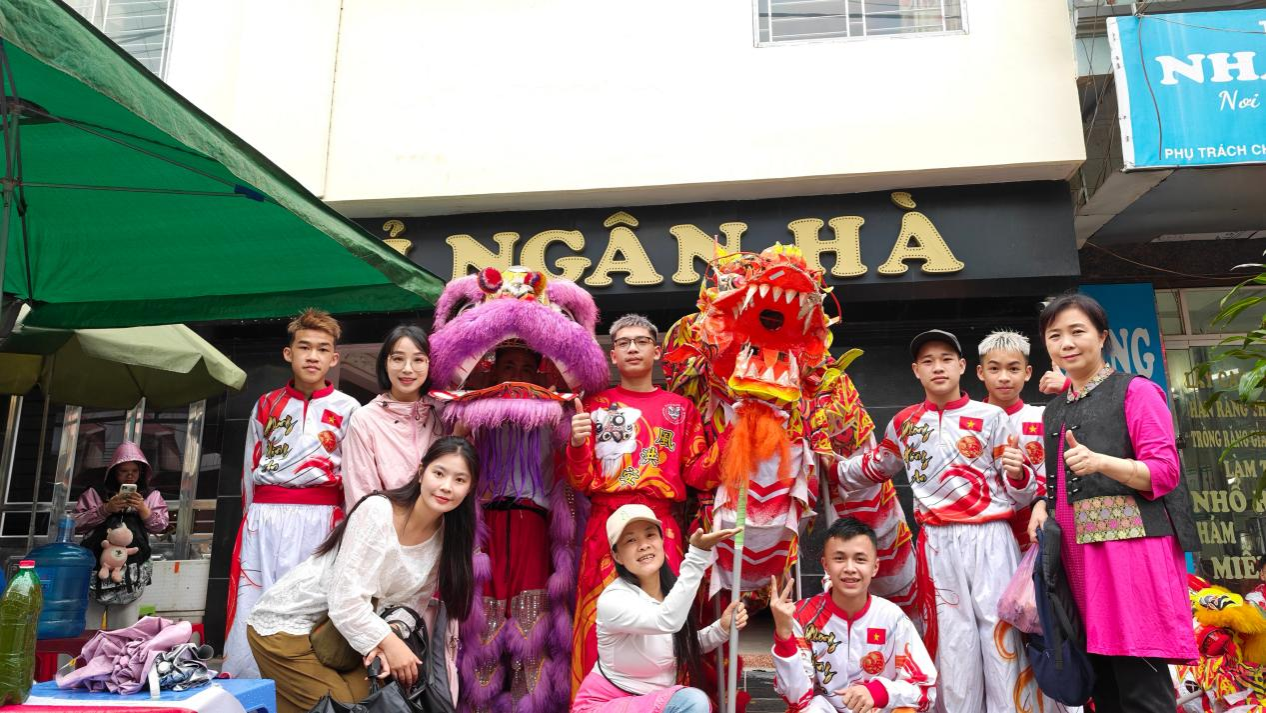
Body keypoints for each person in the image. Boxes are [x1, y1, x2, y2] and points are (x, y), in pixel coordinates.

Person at [834, 329, 1037, 712]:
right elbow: (876, 466)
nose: (937, 367)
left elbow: (1022, 492)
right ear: (916, 370)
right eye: (928, 361)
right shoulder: (904, 423)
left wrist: (1020, 474)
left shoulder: (992, 417)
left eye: (945, 359)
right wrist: (825, 467)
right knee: (951, 641)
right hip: (938, 541)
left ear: (962, 366)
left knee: (1002, 635)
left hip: (991, 538)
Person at [1028, 293, 1199, 713]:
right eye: (1055, 335)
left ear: (1102, 336)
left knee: (1141, 688)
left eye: (1077, 331)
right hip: (1078, 559)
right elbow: (1060, 483)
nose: (1066, 343)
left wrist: (1102, 462)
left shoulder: (1136, 392)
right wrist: (1041, 502)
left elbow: (1164, 472)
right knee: (1102, 690)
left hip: (1131, 557)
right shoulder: (1054, 410)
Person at [246, 436, 477, 713]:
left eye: (459, 480)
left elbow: (412, 603)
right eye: (439, 473)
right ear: (421, 473)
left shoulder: (445, 538)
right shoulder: (378, 511)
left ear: (469, 489)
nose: (446, 486)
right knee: (345, 708)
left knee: (375, 704)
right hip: (288, 625)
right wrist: (388, 643)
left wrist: (389, 635)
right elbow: (345, 600)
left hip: (344, 639)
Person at [566, 314, 723, 694]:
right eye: (623, 343)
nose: (632, 348)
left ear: (657, 351)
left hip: (661, 526)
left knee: (669, 616)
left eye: (641, 341)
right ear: (613, 356)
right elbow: (580, 480)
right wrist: (575, 444)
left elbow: (698, 475)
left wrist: (737, 435)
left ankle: (669, 700)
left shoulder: (681, 409)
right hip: (606, 528)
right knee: (598, 621)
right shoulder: (593, 406)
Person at [224, 308, 361, 679]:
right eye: (304, 347)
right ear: (289, 353)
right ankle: (249, 686)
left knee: (311, 607)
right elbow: (249, 468)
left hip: (322, 520)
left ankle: (309, 689)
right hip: (265, 519)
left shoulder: (349, 408)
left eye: (322, 349)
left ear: (334, 359)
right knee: (255, 601)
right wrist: (249, 520)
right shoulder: (266, 404)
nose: (313, 356)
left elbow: (355, 474)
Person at [572, 504, 746, 713]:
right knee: (692, 701)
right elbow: (666, 621)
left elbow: (675, 646)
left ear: (663, 541)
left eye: (650, 535)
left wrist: (721, 629)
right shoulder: (614, 599)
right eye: (631, 540)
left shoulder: (671, 595)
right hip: (602, 707)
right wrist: (697, 556)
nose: (643, 545)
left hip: (649, 705)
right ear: (617, 556)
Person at [771, 517, 937, 712]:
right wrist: (784, 638)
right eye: (839, 559)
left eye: (860, 559)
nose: (850, 569)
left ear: (875, 567)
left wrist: (878, 692)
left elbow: (925, 690)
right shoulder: (801, 616)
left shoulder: (892, 618)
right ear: (825, 565)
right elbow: (796, 699)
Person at [342, 324, 445, 510]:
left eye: (418, 359)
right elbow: (362, 492)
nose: (407, 369)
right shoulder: (365, 420)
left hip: (440, 522)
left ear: (429, 364)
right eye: (398, 359)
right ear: (385, 363)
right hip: (386, 523)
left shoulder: (444, 414)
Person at [976, 330, 1048, 549]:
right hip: (983, 532)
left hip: (1037, 527)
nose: (1004, 377)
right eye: (994, 369)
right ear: (981, 372)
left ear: (1027, 372)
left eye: (1013, 369)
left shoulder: (1043, 417)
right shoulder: (968, 422)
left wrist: (1067, 387)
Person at [73, 441, 169, 604]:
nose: (130, 475)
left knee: (125, 617)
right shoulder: (95, 492)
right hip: (96, 566)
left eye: (134, 471)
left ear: (142, 471)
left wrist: (143, 509)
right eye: (123, 471)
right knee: (92, 614)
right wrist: (105, 509)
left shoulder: (151, 495)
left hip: (134, 568)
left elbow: (161, 526)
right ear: (113, 472)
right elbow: (76, 524)